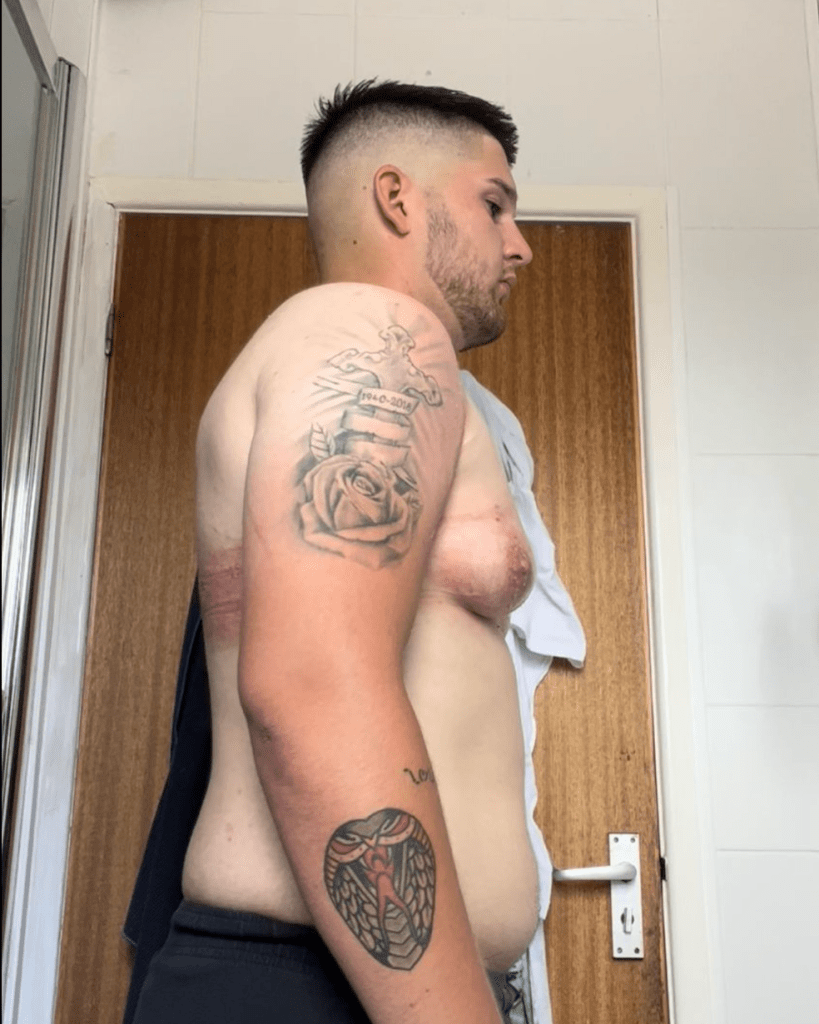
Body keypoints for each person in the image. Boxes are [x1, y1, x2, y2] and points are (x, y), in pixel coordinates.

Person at [130, 79, 537, 1024]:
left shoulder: (355, 355)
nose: (519, 244)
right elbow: (311, 686)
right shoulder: (378, 336)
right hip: (318, 984)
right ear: (397, 198)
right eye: (494, 205)